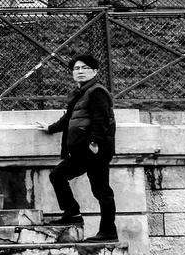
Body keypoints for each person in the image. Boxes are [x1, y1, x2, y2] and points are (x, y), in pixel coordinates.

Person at [40, 54, 117, 241]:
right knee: (57, 175)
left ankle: (108, 231)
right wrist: (50, 128)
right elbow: (69, 120)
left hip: (94, 149)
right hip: (81, 151)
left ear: (95, 71)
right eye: (76, 69)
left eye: (84, 68)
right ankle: (73, 215)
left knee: (101, 191)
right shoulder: (80, 93)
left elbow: (101, 120)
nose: (80, 72)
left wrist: (94, 143)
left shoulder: (98, 92)